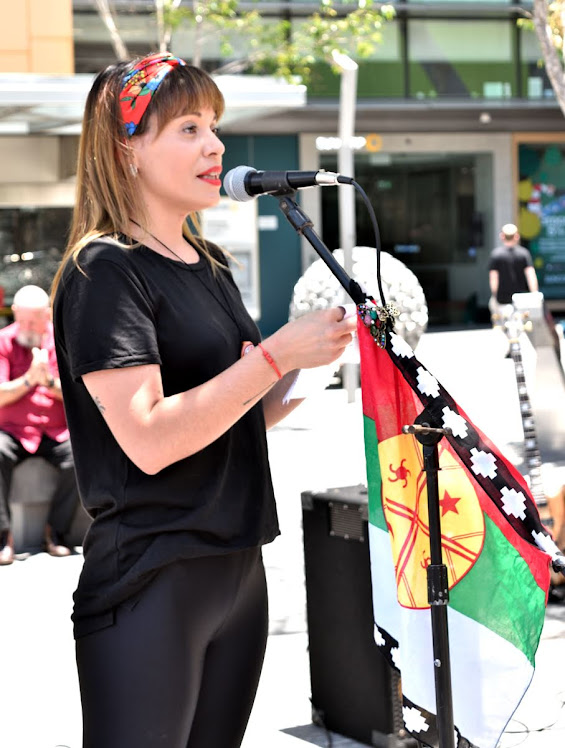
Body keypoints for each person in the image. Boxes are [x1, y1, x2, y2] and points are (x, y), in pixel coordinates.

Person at [51, 52, 357, 748]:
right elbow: (151, 440)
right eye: (188, 128)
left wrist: (316, 360)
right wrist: (277, 354)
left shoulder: (209, 263)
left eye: (214, 125)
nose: (215, 145)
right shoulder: (106, 271)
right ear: (126, 149)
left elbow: (242, 414)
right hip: (153, 575)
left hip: (239, 566)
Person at [0, 284, 79, 565]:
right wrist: (28, 381)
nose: (26, 327)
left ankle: (55, 532)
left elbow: (78, 393)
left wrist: (47, 382)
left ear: (47, 315)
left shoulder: (63, 341)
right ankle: (3, 537)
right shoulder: (3, 341)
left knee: (81, 456)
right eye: (21, 320)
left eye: (33, 321)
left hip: (56, 431)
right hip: (13, 431)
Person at [488, 222, 539, 317]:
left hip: (502, 299)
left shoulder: (496, 255)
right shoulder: (524, 254)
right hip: (521, 299)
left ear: (502, 236)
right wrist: (534, 294)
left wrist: (494, 295)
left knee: (502, 323)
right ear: (517, 236)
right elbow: (531, 276)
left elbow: (493, 278)